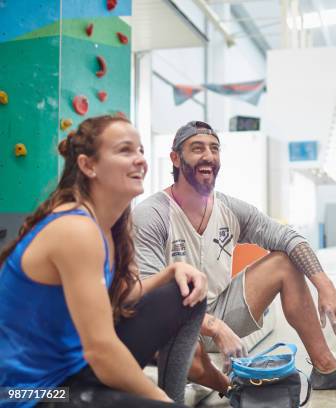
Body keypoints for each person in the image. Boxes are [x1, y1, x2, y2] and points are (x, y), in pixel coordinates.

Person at [132, 120, 336, 394]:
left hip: (221, 307)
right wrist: (216, 328)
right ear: (175, 158)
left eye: (214, 149)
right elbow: (149, 299)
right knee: (178, 343)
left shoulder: (228, 208)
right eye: (197, 148)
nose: (208, 156)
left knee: (284, 261)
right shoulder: (152, 214)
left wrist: (325, 286)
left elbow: (288, 237)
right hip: (175, 320)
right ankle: (230, 387)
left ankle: (326, 368)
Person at [0, 115, 207, 407]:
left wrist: (171, 271)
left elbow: (120, 297)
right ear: (88, 165)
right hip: (31, 392)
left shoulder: (109, 227)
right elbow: (100, 349)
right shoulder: (76, 229)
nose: (140, 161)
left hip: (74, 369)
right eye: (125, 150)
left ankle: (170, 396)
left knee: (184, 293)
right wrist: (157, 399)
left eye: (141, 151)